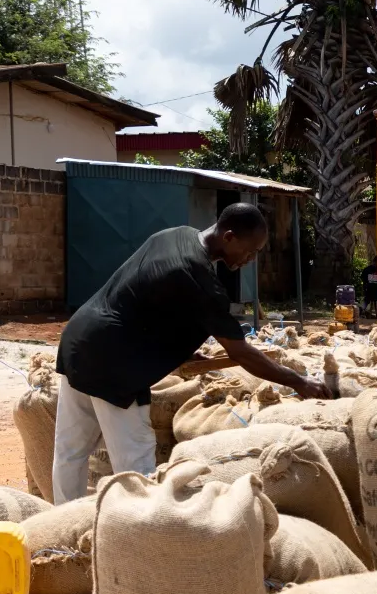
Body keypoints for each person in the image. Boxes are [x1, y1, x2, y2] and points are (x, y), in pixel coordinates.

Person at [51, 203, 327, 503]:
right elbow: (241, 353)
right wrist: (298, 382)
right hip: (113, 362)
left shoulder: (177, 235)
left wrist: (174, 353)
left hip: (81, 339)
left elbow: (145, 299)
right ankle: (143, 539)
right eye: (250, 251)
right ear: (229, 236)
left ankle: (62, 534)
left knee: (70, 451)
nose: (250, 260)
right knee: (137, 462)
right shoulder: (200, 278)